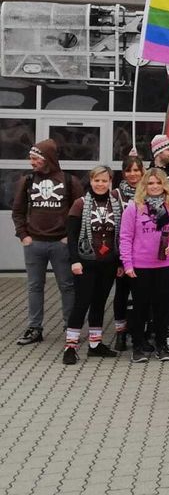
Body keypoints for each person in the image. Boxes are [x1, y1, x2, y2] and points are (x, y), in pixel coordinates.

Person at [12, 139, 83, 345]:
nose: (31, 162)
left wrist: (69, 237)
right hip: (34, 244)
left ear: (47, 159)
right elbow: (18, 211)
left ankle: (71, 328)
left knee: (67, 286)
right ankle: (35, 328)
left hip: (61, 245)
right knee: (34, 287)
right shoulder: (27, 181)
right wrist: (23, 235)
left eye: (35, 158)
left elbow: (80, 211)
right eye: (31, 158)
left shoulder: (70, 181)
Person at [119, 168, 169, 363]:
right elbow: (125, 237)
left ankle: (161, 346)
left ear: (164, 185)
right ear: (144, 185)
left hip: (165, 265)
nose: (155, 186)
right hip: (140, 266)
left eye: (158, 183)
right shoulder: (134, 207)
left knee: (162, 308)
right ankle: (138, 347)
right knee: (140, 308)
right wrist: (127, 264)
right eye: (150, 183)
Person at [62, 165, 123, 363]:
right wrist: (75, 261)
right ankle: (70, 347)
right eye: (97, 180)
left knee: (99, 303)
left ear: (110, 182)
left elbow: (121, 235)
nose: (100, 184)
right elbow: (71, 237)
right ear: (91, 180)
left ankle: (95, 345)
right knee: (82, 303)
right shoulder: (80, 204)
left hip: (108, 262)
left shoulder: (116, 205)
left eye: (104, 180)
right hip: (85, 262)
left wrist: (120, 261)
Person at [110, 155, 144, 350]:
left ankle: (142, 330)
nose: (133, 174)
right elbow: (112, 227)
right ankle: (121, 333)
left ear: (142, 172)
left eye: (136, 170)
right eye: (129, 170)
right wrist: (118, 260)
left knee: (143, 296)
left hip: (144, 255)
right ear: (124, 173)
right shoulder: (116, 195)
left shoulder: (150, 192)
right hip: (122, 255)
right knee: (121, 294)